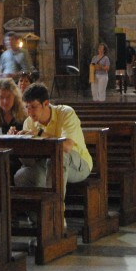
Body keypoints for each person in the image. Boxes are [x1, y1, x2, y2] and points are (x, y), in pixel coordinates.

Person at [15, 83, 93, 212]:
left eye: (33, 107)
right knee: (21, 176)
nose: (29, 112)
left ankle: (55, 214)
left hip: (78, 165)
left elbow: (67, 146)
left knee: (58, 156)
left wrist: (39, 133)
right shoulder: (29, 122)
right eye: (26, 107)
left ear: (46, 103)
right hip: (46, 164)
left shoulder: (65, 113)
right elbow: (29, 160)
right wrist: (17, 140)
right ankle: (38, 219)